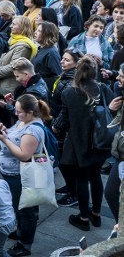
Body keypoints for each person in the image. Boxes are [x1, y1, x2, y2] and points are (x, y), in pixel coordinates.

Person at [53, 56, 112, 232]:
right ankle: (96, 214)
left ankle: (83, 217)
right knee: (95, 177)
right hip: (100, 142)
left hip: (78, 143)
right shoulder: (103, 89)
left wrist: (55, 127)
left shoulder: (69, 92)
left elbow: (63, 121)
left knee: (81, 179)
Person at [0, 94, 50, 256]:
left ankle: (25, 245)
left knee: (26, 210)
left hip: (22, 176)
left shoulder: (32, 130)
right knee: (19, 206)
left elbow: (24, 155)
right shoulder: (24, 121)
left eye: (19, 111)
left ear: (31, 112)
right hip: (13, 173)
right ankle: (20, 231)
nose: (16, 114)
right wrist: (5, 130)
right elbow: (15, 134)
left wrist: (4, 139)